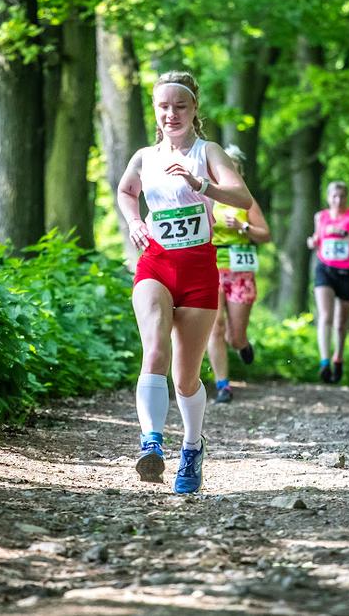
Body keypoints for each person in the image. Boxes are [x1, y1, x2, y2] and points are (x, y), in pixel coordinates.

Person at [117, 70, 253, 494]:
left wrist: (202, 184)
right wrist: (135, 221)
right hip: (156, 264)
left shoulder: (207, 151)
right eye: (163, 106)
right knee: (154, 351)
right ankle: (151, 443)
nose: (171, 113)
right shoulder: (144, 157)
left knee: (186, 379)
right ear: (155, 113)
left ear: (194, 109)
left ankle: (192, 448)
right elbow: (125, 191)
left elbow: (243, 198)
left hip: (198, 269)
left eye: (180, 105)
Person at [207, 145, 271, 404]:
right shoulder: (207, 197)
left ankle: (243, 345)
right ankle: (223, 385)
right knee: (215, 327)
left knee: (235, 336)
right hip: (212, 266)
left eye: (232, 167)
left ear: (239, 171)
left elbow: (265, 234)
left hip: (240, 269)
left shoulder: (247, 200)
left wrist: (244, 226)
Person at [306, 181, 349, 384]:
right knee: (325, 316)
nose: (338, 200)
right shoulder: (320, 217)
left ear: (346, 198)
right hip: (325, 269)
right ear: (328, 197)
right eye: (334, 196)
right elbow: (315, 239)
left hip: (348, 273)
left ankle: (338, 358)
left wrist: (346, 235)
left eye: (342, 196)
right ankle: (324, 362)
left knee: (341, 323)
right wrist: (312, 241)